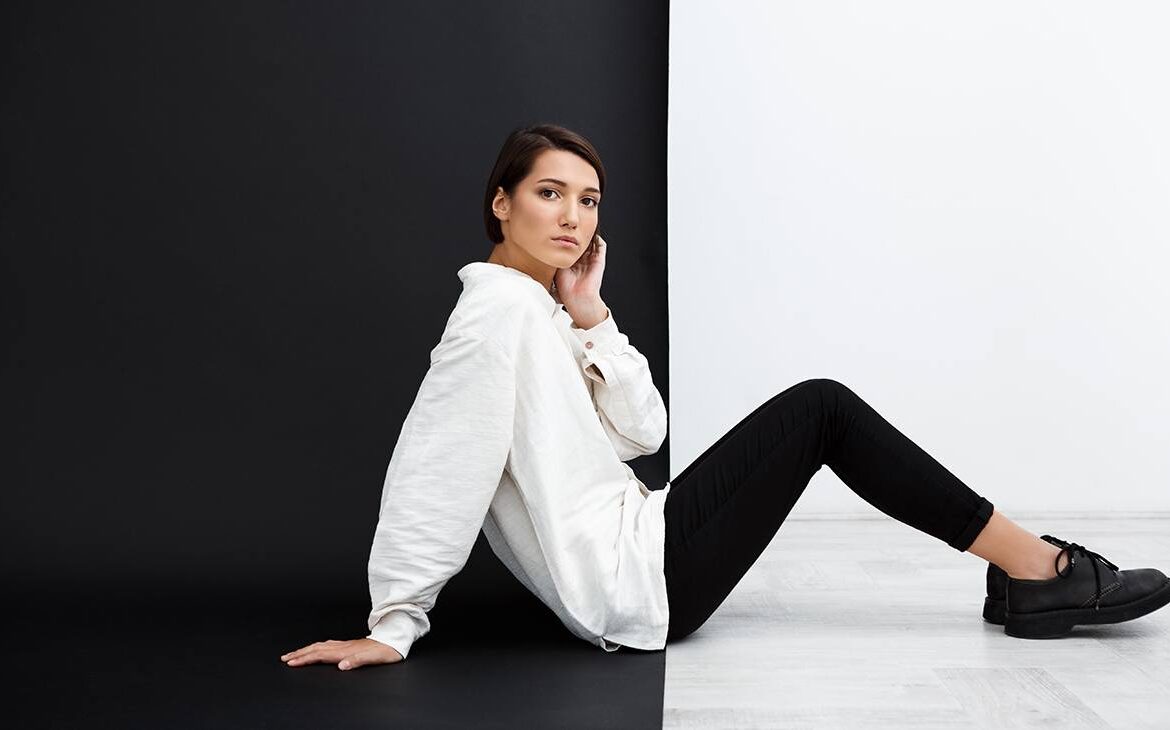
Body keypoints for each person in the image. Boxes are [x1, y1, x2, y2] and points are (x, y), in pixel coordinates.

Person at [280, 124, 1170, 671]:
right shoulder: (494, 317)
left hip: (646, 538)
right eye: (549, 194)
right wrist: (396, 621)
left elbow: (643, 434)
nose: (574, 218)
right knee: (823, 408)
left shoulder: (542, 313)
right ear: (500, 204)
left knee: (822, 408)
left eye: (589, 200)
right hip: (636, 579)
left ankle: (1029, 572)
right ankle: (1038, 572)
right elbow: (438, 466)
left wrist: (592, 319)